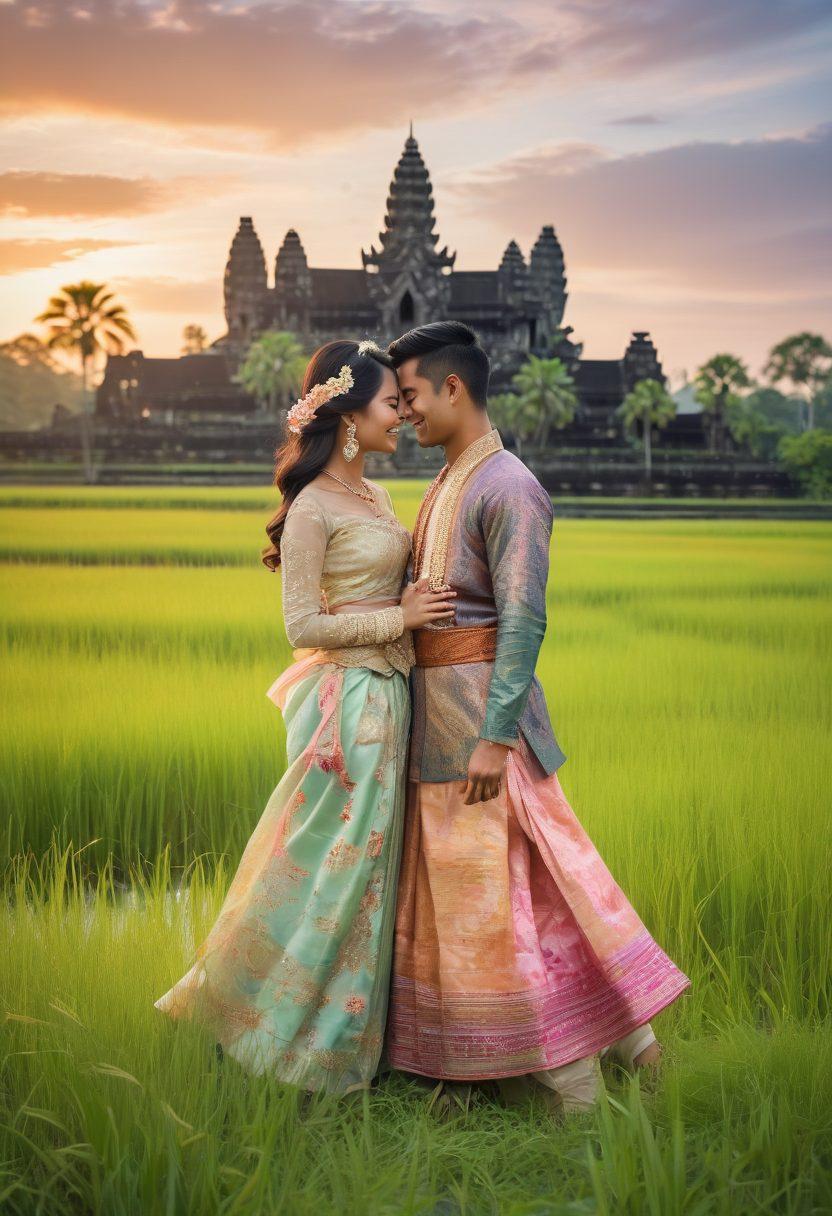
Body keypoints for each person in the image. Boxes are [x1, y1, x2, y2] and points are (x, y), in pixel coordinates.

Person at [384, 321, 691, 1116]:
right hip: (442, 728)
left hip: (484, 737)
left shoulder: (510, 486)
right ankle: (626, 1049)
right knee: (535, 894)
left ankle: (563, 1085)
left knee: (500, 906)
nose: (404, 411)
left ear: (453, 387)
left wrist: (494, 738)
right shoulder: (448, 480)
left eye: (410, 395)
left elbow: (523, 619)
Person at [153, 339, 456, 1095]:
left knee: (369, 873)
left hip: (392, 695)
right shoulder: (312, 507)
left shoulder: (378, 498)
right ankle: (254, 1026)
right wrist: (398, 617)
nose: (402, 414)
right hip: (348, 705)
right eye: (390, 403)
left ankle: (349, 1038)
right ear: (350, 417)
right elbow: (302, 626)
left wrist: (408, 612)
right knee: (328, 867)